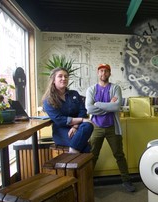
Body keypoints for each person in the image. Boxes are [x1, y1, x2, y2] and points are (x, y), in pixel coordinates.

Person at [85, 63, 135, 192]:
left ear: (109, 73)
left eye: (106, 71)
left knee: (119, 154)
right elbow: (89, 108)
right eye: (101, 71)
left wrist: (98, 104)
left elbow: (116, 107)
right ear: (98, 73)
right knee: (92, 155)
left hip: (113, 127)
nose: (103, 73)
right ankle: (86, 182)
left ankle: (126, 181)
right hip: (96, 126)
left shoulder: (115, 88)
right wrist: (108, 106)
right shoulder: (91, 89)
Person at [42, 67, 94, 153]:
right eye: (60, 76)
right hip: (61, 131)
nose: (64, 78)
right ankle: (73, 155)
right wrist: (81, 120)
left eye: (66, 76)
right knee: (86, 148)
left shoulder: (74, 94)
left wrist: (75, 126)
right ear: (53, 80)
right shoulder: (48, 100)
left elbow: (82, 111)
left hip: (78, 128)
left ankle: (73, 152)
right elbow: (59, 120)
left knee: (88, 125)